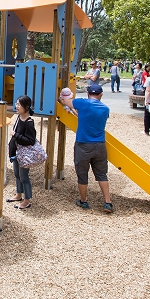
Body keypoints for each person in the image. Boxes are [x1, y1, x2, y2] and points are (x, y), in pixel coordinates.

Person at [59, 84, 113, 213]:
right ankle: (107, 202)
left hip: (83, 144)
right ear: (101, 95)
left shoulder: (82, 103)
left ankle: (83, 201)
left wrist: (62, 97)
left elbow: (64, 101)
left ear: (88, 94)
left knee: (82, 174)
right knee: (101, 174)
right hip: (99, 145)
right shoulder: (105, 109)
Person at [7, 95, 36, 210]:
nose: (16, 106)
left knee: (24, 176)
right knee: (17, 174)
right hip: (16, 152)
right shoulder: (19, 117)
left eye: (19, 104)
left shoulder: (29, 122)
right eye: (16, 104)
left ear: (26, 107)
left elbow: (30, 140)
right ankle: (18, 195)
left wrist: (16, 135)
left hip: (24, 154)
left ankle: (27, 200)